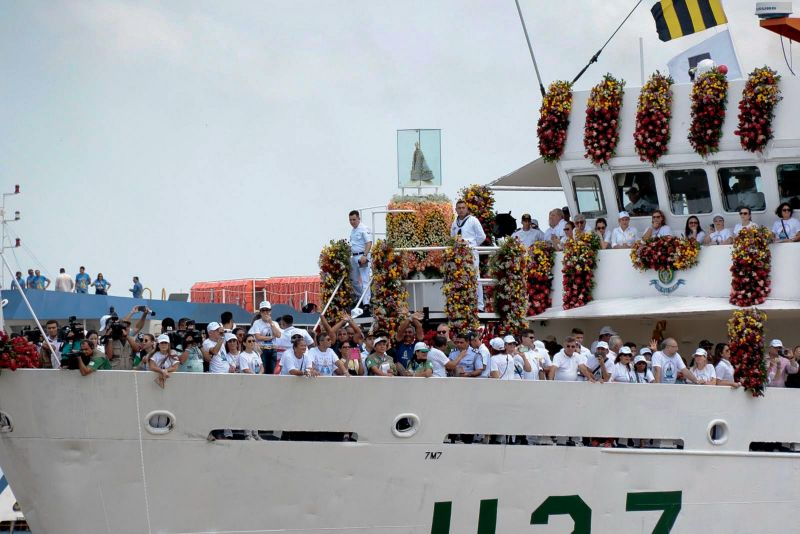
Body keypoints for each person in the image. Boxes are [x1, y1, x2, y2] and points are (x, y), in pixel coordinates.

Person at [450, 199, 487, 310]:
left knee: (475, 277)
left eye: (463, 208)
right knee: (461, 277)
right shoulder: (454, 223)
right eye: (459, 208)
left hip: (471, 253)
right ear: (456, 210)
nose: (461, 210)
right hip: (459, 255)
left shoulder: (473, 220)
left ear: (467, 209)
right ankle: (464, 303)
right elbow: (452, 237)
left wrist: (470, 244)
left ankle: (479, 305)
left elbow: (482, 236)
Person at [248, 300, 282, 374]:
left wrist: (271, 323)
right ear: (260, 312)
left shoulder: (275, 323)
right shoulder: (257, 323)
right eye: (263, 310)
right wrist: (271, 337)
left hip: (273, 349)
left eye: (267, 310)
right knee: (263, 370)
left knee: (272, 372)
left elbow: (278, 335)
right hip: (262, 349)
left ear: (270, 311)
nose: (265, 312)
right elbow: (258, 337)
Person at [348, 209, 373, 307]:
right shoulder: (353, 230)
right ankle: (361, 297)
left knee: (364, 279)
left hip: (362, 256)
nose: (352, 222)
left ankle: (366, 303)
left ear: (359, 218)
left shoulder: (364, 228)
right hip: (354, 256)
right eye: (350, 220)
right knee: (353, 279)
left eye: (354, 219)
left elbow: (369, 243)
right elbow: (353, 244)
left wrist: (365, 255)